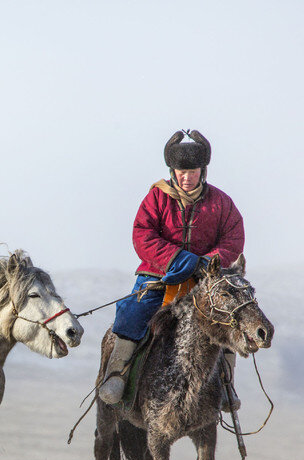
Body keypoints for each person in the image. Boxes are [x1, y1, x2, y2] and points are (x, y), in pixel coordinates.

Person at [98, 129, 245, 406]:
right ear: (172, 171)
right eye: (181, 171)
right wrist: (178, 259)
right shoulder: (156, 198)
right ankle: (117, 374)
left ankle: (226, 384)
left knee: (228, 318)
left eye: (193, 171)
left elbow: (233, 239)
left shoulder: (222, 203)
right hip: (159, 274)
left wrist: (208, 263)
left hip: (205, 280)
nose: (186, 177)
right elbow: (143, 234)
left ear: (203, 171)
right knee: (133, 310)